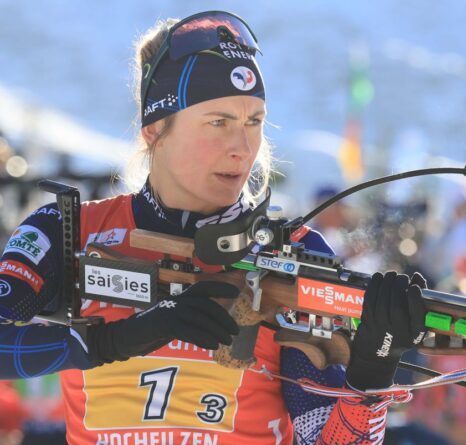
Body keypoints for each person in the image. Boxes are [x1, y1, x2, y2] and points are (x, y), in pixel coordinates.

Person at [0, 11, 427, 445]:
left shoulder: (291, 255)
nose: (242, 148)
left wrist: (372, 373)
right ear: (154, 130)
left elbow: (327, 438)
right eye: (218, 122)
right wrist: (125, 338)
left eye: (254, 121)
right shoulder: (68, 229)